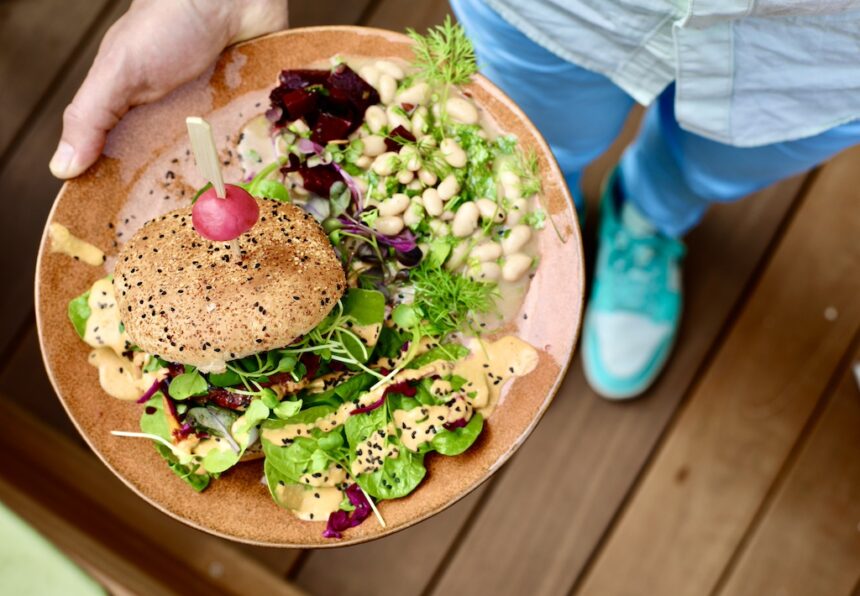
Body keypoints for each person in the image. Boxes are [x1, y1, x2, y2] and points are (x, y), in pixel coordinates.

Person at [51, 0, 860, 400]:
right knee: (539, 144)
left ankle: (648, 221)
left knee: (714, 167)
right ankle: (565, 218)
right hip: (559, 11)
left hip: (816, 55)